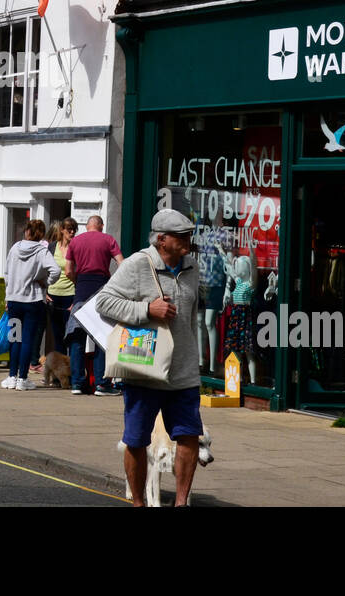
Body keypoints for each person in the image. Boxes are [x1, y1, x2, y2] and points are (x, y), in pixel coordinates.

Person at [96, 209, 203, 507]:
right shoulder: (137, 265)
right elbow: (104, 302)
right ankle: (139, 502)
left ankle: (181, 502)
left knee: (189, 435)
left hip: (182, 370)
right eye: (181, 236)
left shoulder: (192, 267)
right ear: (161, 239)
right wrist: (146, 310)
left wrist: (195, 360)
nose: (187, 240)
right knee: (136, 439)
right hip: (143, 368)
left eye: (189, 235)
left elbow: (191, 319)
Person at [66, 214, 126, 396]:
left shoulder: (75, 242)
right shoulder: (108, 239)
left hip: (81, 291)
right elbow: (122, 264)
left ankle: (76, 383)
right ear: (101, 226)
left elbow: (68, 270)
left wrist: (78, 281)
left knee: (77, 338)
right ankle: (102, 384)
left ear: (87, 226)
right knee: (102, 338)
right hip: (102, 292)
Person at [2, 219, 60, 391]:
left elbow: (6, 274)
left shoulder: (14, 248)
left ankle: (12, 376)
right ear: (41, 234)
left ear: (27, 231)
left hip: (14, 300)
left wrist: (9, 293)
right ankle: (23, 378)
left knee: (15, 338)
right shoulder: (42, 251)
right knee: (27, 339)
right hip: (33, 301)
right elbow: (56, 271)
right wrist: (45, 282)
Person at [46, 217, 78, 355]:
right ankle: (61, 370)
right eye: (69, 229)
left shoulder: (76, 247)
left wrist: (77, 296)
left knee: (70, 334)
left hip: (70, 294)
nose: (72, 232)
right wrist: (44, 291)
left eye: (74, 230)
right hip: (53, 295)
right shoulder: (52, 247)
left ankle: (72, 368)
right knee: (57, 334)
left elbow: (79, 271)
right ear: (62, 230)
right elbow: (45, 269)